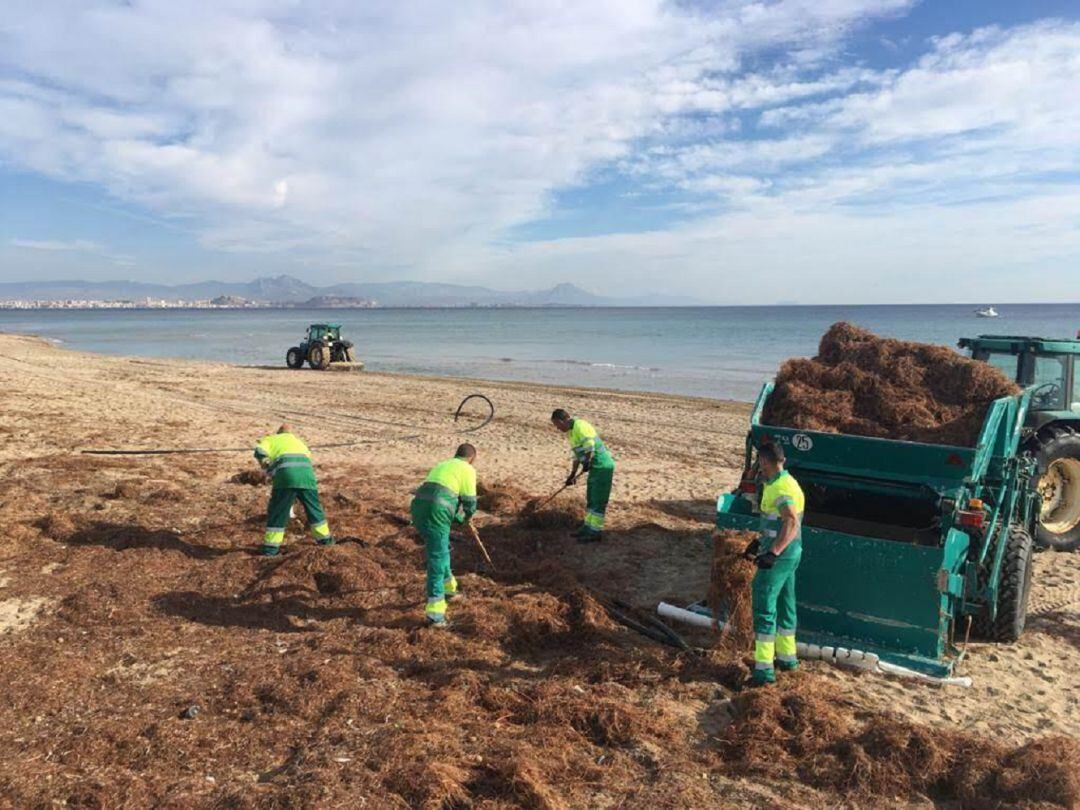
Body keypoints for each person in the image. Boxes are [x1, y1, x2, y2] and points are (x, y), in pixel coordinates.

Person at [743, 441, 804, 685]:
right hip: (792, 552)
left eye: (760, 463)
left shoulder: (780, 487)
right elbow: (776, 523)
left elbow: (790, 522)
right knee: (786, 603)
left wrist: (773, 552)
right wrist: (760, 543)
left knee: (764, 606)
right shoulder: (786, 482)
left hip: (781, 556)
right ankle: (788, 660)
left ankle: (764, 671)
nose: (759, 467)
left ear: (765, 461)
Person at [410, 444, 478, 627]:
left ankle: (449, 589)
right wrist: (467, 519)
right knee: (437, 559)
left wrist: (455, 517)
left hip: (418, 507)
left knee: (440, 548)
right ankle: (435, 614)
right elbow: (470, 502)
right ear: (472, 458)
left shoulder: (443, 465)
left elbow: (438, 493)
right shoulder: (468, 469)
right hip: (436, 511)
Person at [253, 424, 333, 556]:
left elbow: (259, 451)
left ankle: (270, 550)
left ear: (278, 433)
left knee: (278, 512)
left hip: (286, 478)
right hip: (308, 477)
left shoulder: (271, 439)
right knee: (314, 510)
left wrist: (266, 463)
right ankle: (326, 542)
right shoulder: (299, 442)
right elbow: (307, 457)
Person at [550, 409, 615, 543]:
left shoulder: (580, 426)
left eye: (557, 425)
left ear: (562, 421)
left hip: (602, 466)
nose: (557, 428)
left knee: (598, 500)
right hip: (593, 467)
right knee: (591, 498)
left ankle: (595, 533)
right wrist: (572, 474)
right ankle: (587, 528)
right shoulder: (571, 433)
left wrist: (586, 462)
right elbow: (577, 455)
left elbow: (590, 446)